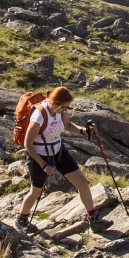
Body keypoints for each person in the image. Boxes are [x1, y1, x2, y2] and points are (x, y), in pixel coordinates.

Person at [15, 86, 105, 231]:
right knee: (36, 191)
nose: (65, 110)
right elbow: (28, 144)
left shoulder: (60, 110)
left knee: (82, 182)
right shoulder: (39, 115)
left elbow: (67, 125)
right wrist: (44, 165)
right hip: (39, 155)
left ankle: (93, 218)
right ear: (54, 103)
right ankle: (21, 218)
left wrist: (83, 130)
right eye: (64, 107)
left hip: (58, 150)